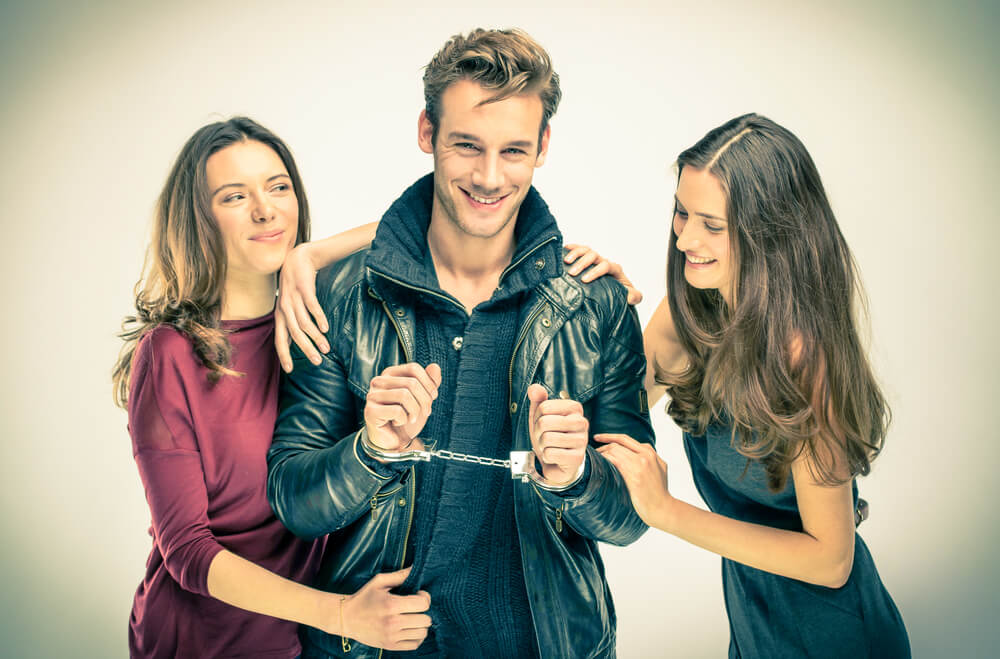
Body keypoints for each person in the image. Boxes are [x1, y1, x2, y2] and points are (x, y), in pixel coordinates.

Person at [266, 28, 654, 658]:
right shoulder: (339, 296)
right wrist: (369, 450)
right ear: (427, 133)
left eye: (514, 150)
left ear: (544, 147)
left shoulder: (597, 304)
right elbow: (293, 499)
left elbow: (634, 517)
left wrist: (579, 475)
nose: (489, 176)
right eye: (466, 146)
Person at [112, 116, 433, 658]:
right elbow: (188, 553)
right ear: (198, 220)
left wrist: (311, 255)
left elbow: (436, 218)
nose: (265, 210)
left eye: (277, 187)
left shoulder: (325, 322)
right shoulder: (171, 354)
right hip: (202, 642)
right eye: (234, 196)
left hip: (304, 644)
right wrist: (342, 615)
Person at [595, 113, 910, 657]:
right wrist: (597, 312)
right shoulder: (687, 317)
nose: (687, 238)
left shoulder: (805, 360)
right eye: (681, 212)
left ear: (769, 231)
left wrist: (667, 511)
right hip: (753, 625)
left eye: (712, 225)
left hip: (834, 634)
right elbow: (603, 415)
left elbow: (831, 561)